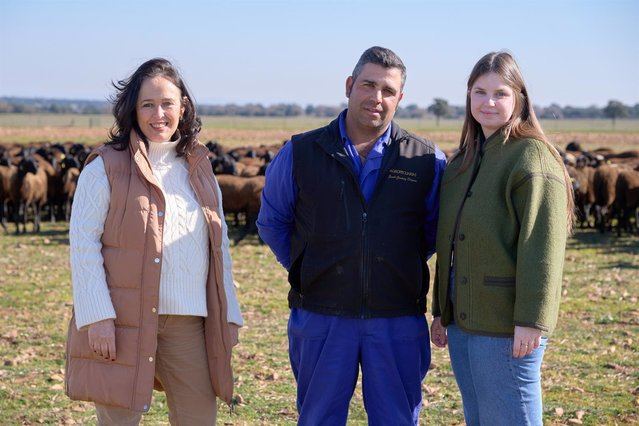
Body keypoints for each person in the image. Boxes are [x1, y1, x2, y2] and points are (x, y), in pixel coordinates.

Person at [257, 46, 447, 425]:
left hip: (396, 317)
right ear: (349, 86)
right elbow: (272, 221)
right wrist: (308, 263)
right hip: (321, 315)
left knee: (396, 418)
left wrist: (391, 262)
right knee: (318, 418)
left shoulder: (426, 160)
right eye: (368, 85)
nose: (377, 98)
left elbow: (433, 232)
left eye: (388, 91)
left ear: (400, 99)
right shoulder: (301, 152)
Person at [64, 58, 243, 425]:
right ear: (133, 109)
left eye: (167, 104)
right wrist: (97, 317)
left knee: (198, 419)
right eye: (147, 104)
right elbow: (83, 245)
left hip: (188, 323)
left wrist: (229, 313)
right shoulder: (106, 166)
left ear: (183, 107)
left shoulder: (200, 166)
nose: (158, 114)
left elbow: (219, 245)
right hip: (122, 322)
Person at [430, 51, 575, 426]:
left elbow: (542, 246)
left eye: (500, 93)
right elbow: (451, 241)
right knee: (479, 419)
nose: (488, 102)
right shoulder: (464, 159)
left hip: (506, 326)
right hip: (463, 321)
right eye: (479, 92)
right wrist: (439, 311)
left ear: (520, 99)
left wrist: (532, 319)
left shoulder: (531, 157)